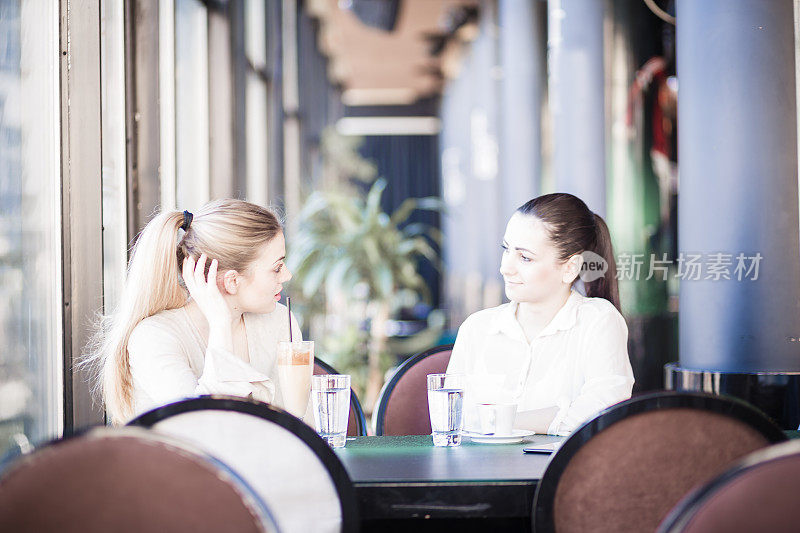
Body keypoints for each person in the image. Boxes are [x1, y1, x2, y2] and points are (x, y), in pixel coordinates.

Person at [85, 199, 300, 425]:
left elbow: (300, 424)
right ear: (232, 281)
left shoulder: (279, 321)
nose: (287, 276)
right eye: (276, 268)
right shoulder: (153, 337)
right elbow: (203, 429)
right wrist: (220, 324)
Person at [446, 193, 634, 436]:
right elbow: (453, 420)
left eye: (525, 257)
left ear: (570, 268)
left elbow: (603, 411)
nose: (505, 268)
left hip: (562, 474)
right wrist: (550, 417)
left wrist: (499, 422)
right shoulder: (477, 328)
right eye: (506, 249)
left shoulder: (597, 321)